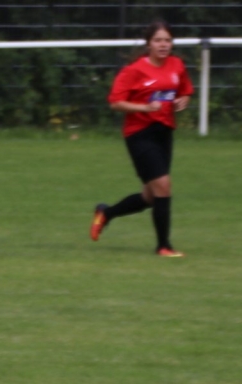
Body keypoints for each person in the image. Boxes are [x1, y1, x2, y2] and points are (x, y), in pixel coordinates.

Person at [89, 22, 192, 258]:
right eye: (158, 40)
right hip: (139, 134)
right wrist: (144, 107)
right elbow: (115, 102)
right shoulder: (134, 71)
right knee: (163, 185)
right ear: (149, 44)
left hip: (164, 133)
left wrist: (183, 100)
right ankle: (163, 246)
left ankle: (105, 213)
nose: (163, 45)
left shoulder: (176, 65)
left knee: (150, 196)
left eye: (167, 40)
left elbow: (184, 91)